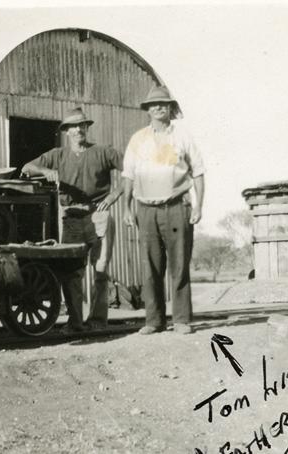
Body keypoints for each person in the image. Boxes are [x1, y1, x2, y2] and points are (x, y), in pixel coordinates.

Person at [22, 107, 123, 333]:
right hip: (71, 218)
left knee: (100, 270)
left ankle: (98, 321)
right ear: (66, 131)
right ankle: (75, 323)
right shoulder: (58, 155)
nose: (78, 130)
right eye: (73, 127)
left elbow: (132, 170)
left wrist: (114, 196)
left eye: (81, 125)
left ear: (87, 127)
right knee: (71, 273)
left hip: (99, 214)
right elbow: (27, 168)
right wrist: (45, 171)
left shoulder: (103, 152)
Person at [121, 86, 205, 335]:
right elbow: (129, 175)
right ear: (147, 110)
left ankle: (181, 320)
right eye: (153, 105)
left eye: (163, 104)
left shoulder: (183, 136)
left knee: (179, 264)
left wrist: (199, 205)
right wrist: (126, 208)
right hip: (146, 209)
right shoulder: (138, 139)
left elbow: (198, 172)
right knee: (151, 266)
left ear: (170, 107)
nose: (158, 107)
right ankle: (154, 321)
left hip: (177, 206)